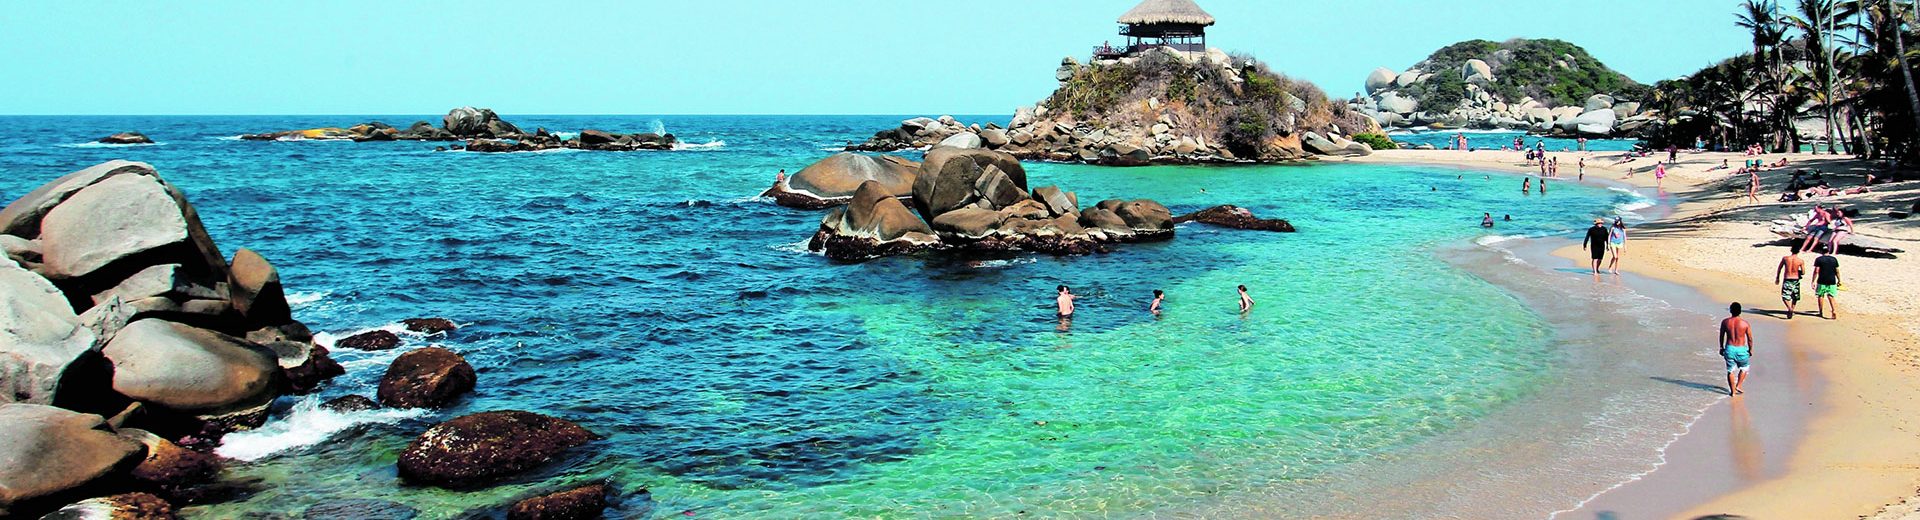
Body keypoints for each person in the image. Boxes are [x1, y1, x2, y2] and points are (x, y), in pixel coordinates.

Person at [1720, 302, 1755, 396]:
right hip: (1741, 349)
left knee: (1730, 370)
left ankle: (1733, 392)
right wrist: (1751, 349)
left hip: (1729, 348)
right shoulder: (1745, 324)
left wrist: (1721, 347)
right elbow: (1750, 339)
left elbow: (1721, 336)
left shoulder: (1725, 322)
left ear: (1731, 310)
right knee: (1744, 368)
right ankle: (1738, 385)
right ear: (1740, 311)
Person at [1775, 243, 1806, 319]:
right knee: (1795, 296)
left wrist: (1777, 277)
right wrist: (1798, 272)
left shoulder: (1785, 258)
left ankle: (1789, 308)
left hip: (1787, 278)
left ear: (1791, 250)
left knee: (1785, 295)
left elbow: (1780, 268)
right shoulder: (1800, 261)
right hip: (1795, 279)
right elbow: (1803, 272)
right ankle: (1792, 309)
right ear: (1798, 251)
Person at [1811, 245, 1841, 319]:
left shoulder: (1819, 259)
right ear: (1828, 251)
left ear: (1821, 251)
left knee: (1820, 295)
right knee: (1831, 296)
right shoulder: (1834, 259)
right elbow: (1837, 271)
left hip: (1822, 280)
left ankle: (1821, 312)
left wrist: (1813, 281)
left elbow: (1816, 271)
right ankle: (1833, 310)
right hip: (1832, 280)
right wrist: (1839, 280)